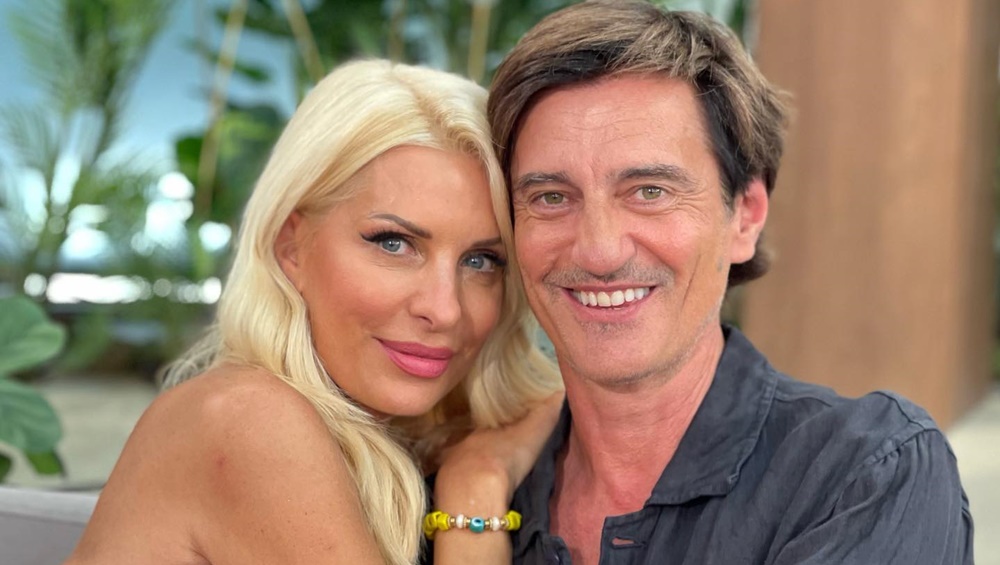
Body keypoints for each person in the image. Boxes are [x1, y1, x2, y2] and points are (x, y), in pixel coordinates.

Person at [469, 1, 973, 563]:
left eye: (650, 192)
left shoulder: (864, 474)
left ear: (746, 216)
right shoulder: (468, 496)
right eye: (550, 198)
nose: (599, 251)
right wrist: (474, 492)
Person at [64, 59, 562, 565]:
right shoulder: (248, 419)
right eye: (393, 243)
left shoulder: (412, 436)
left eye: (481, 261)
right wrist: (474, 492)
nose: (445, 309)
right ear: (292, 247)